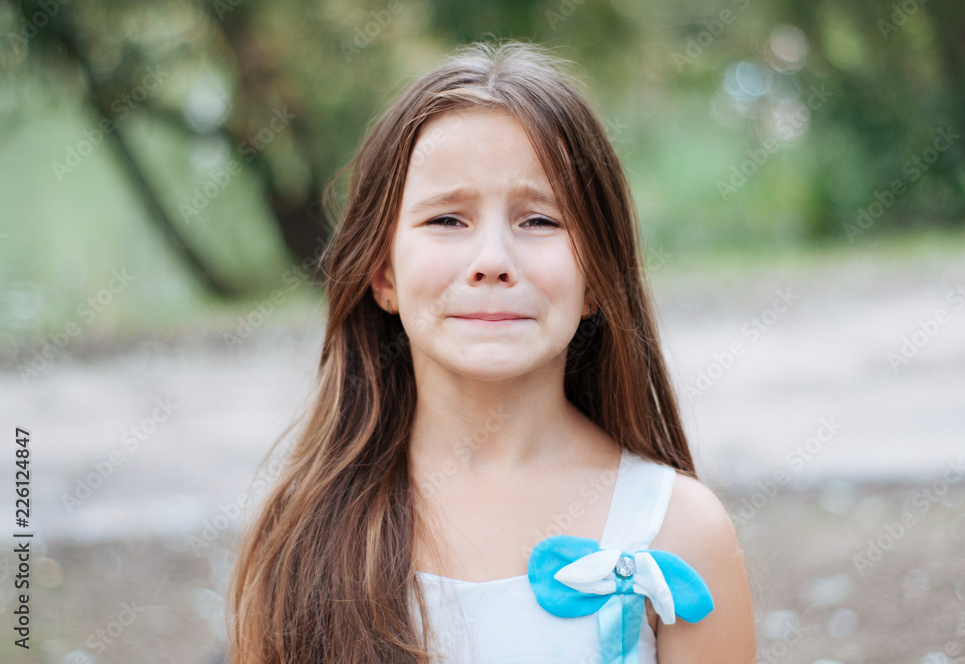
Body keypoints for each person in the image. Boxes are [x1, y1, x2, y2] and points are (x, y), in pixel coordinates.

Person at [227, 38, 756, 664]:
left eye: (539, 220)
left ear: (597, 278)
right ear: (383, 275)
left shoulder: (680, 531)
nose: (493, 263)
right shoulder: (302, 533)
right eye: (447, 219)